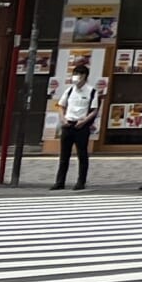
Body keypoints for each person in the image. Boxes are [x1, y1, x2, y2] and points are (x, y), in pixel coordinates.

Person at [50, 57, 104, 189]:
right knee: (64, 155)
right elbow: (61, 105)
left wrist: (84, 121)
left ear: (84, 76)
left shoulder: (91, 91)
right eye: (74, 75)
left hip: (81, 126)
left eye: (78, 75)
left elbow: (94, 110)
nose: (76, 77)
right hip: (68, 124)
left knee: (82, 154)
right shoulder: (69, 90)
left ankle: (81, 182)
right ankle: (60, 182)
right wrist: (63, 119)